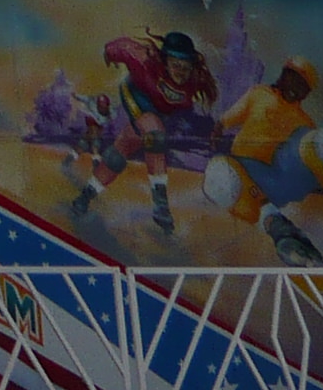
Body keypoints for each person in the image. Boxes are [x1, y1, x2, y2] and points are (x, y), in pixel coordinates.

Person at [210, 57, 323, 266]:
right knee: (221, 174)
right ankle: (283, 234)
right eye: (294, 79)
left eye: (302, 86)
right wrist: (217, 132)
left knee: (316, 141)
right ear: (284, 76)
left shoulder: (303, 120)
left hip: (283, 176)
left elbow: (312, 164)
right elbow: (228, 118)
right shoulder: (259, 94)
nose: (296, 88)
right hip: (250, 177)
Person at [69, 28, 215, 237]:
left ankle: (84, 197)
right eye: (176, 65)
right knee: (155, 134)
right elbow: (122, 47)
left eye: (185, 67)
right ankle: (161, 204)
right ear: (164, 61)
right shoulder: (144, 62)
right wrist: (110, 53)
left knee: (116, 157)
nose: (181, 72)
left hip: (158, 114)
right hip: (137, 99)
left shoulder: (195, 81)